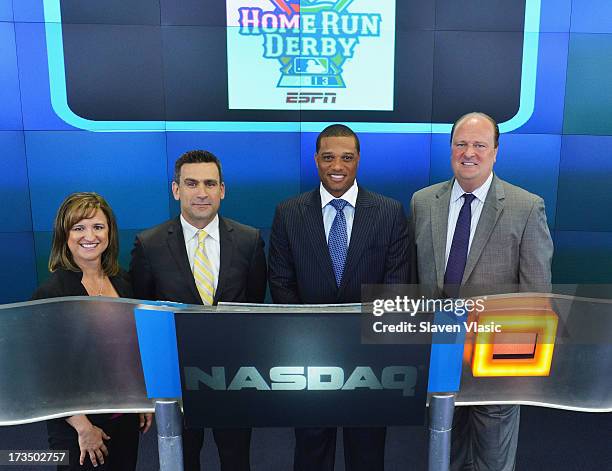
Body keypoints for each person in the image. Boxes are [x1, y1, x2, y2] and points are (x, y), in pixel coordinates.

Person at [410, 112, 553, 470]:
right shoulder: (423, 202)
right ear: (450, 149)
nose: (468, 152)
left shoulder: (525, 206)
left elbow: (536, 297)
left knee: (493, 461)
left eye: (479, 145)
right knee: (444, 456)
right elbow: (416, 281)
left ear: (495, 151)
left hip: (497, 363)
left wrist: (522, 370)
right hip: (440, 359)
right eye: (461, 144)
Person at [268, 124, 410, 470]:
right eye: (329, 157)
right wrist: (309, 340)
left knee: (367, 451)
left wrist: (365, 341)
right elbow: (282, 283)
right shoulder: (288, 213)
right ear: (316, 159)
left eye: (347, 158)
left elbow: (396, 284)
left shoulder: (389, 212)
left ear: (358, 160)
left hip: (371, 359)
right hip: (309, 357)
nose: (338, 165)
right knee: (312, 447)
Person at [130, 150, 267, 471]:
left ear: (223, 189)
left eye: (210, 183)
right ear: (176, 189)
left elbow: (255, 306)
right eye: (191, 183)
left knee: (236, 460)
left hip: (234, 379)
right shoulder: (148, 245)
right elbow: (144, 314)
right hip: (175, 380)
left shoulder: (250, 240)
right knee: (183, 460)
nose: (201, 193)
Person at [32, 192, 152, 470]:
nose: (90, 235)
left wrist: (142, 399)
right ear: (64, 235)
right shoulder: (51, 293)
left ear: (109, 233)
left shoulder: (123, 283)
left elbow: (132, 350)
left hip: (123, 418)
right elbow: (47, 373)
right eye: (79, 227)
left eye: (98, 226)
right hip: (77, 427)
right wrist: (83, 427)